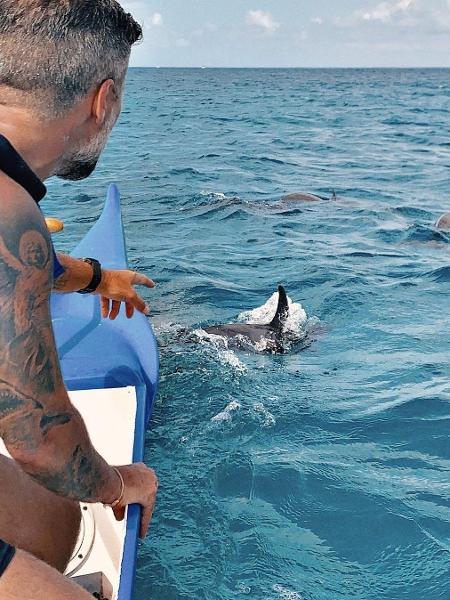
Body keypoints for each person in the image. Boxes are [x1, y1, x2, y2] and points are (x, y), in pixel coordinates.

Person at [0, 2, 158, 598]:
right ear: (104, 101)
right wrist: (121, 483)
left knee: (57, 528)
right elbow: (38, 441)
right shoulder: (8, 209)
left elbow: (18, 263)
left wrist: (95, 278)